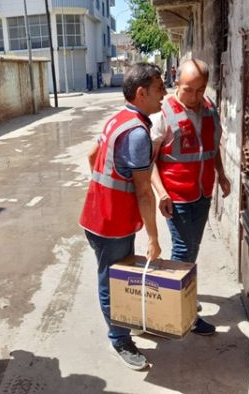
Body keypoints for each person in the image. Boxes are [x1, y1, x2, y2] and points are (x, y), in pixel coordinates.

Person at [79, 62, 166, 370]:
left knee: (117, 275)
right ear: (142, 93)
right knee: (112, 282)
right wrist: (153, 238)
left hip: (98, 215)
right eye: (159, 88)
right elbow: (144, 192)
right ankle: (119, 338)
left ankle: (126, 324)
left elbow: (92, 155)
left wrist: (104, 192)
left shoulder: (118, 119)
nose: (164, 94)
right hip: (111, 224)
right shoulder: (138, 133)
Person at [151, 59, 231, 336]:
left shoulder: (209, 109)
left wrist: (222, 174)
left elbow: (212, 148)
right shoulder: (163, 113)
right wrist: (161, 192)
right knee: (183, 252)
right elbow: (149, 161)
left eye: (200, 90)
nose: (195, 96)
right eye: (188, 90)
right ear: (176, 82)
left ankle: (179, 297)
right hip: (177, 197)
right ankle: (180, 312)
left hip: (203, 193)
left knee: (191, 250)